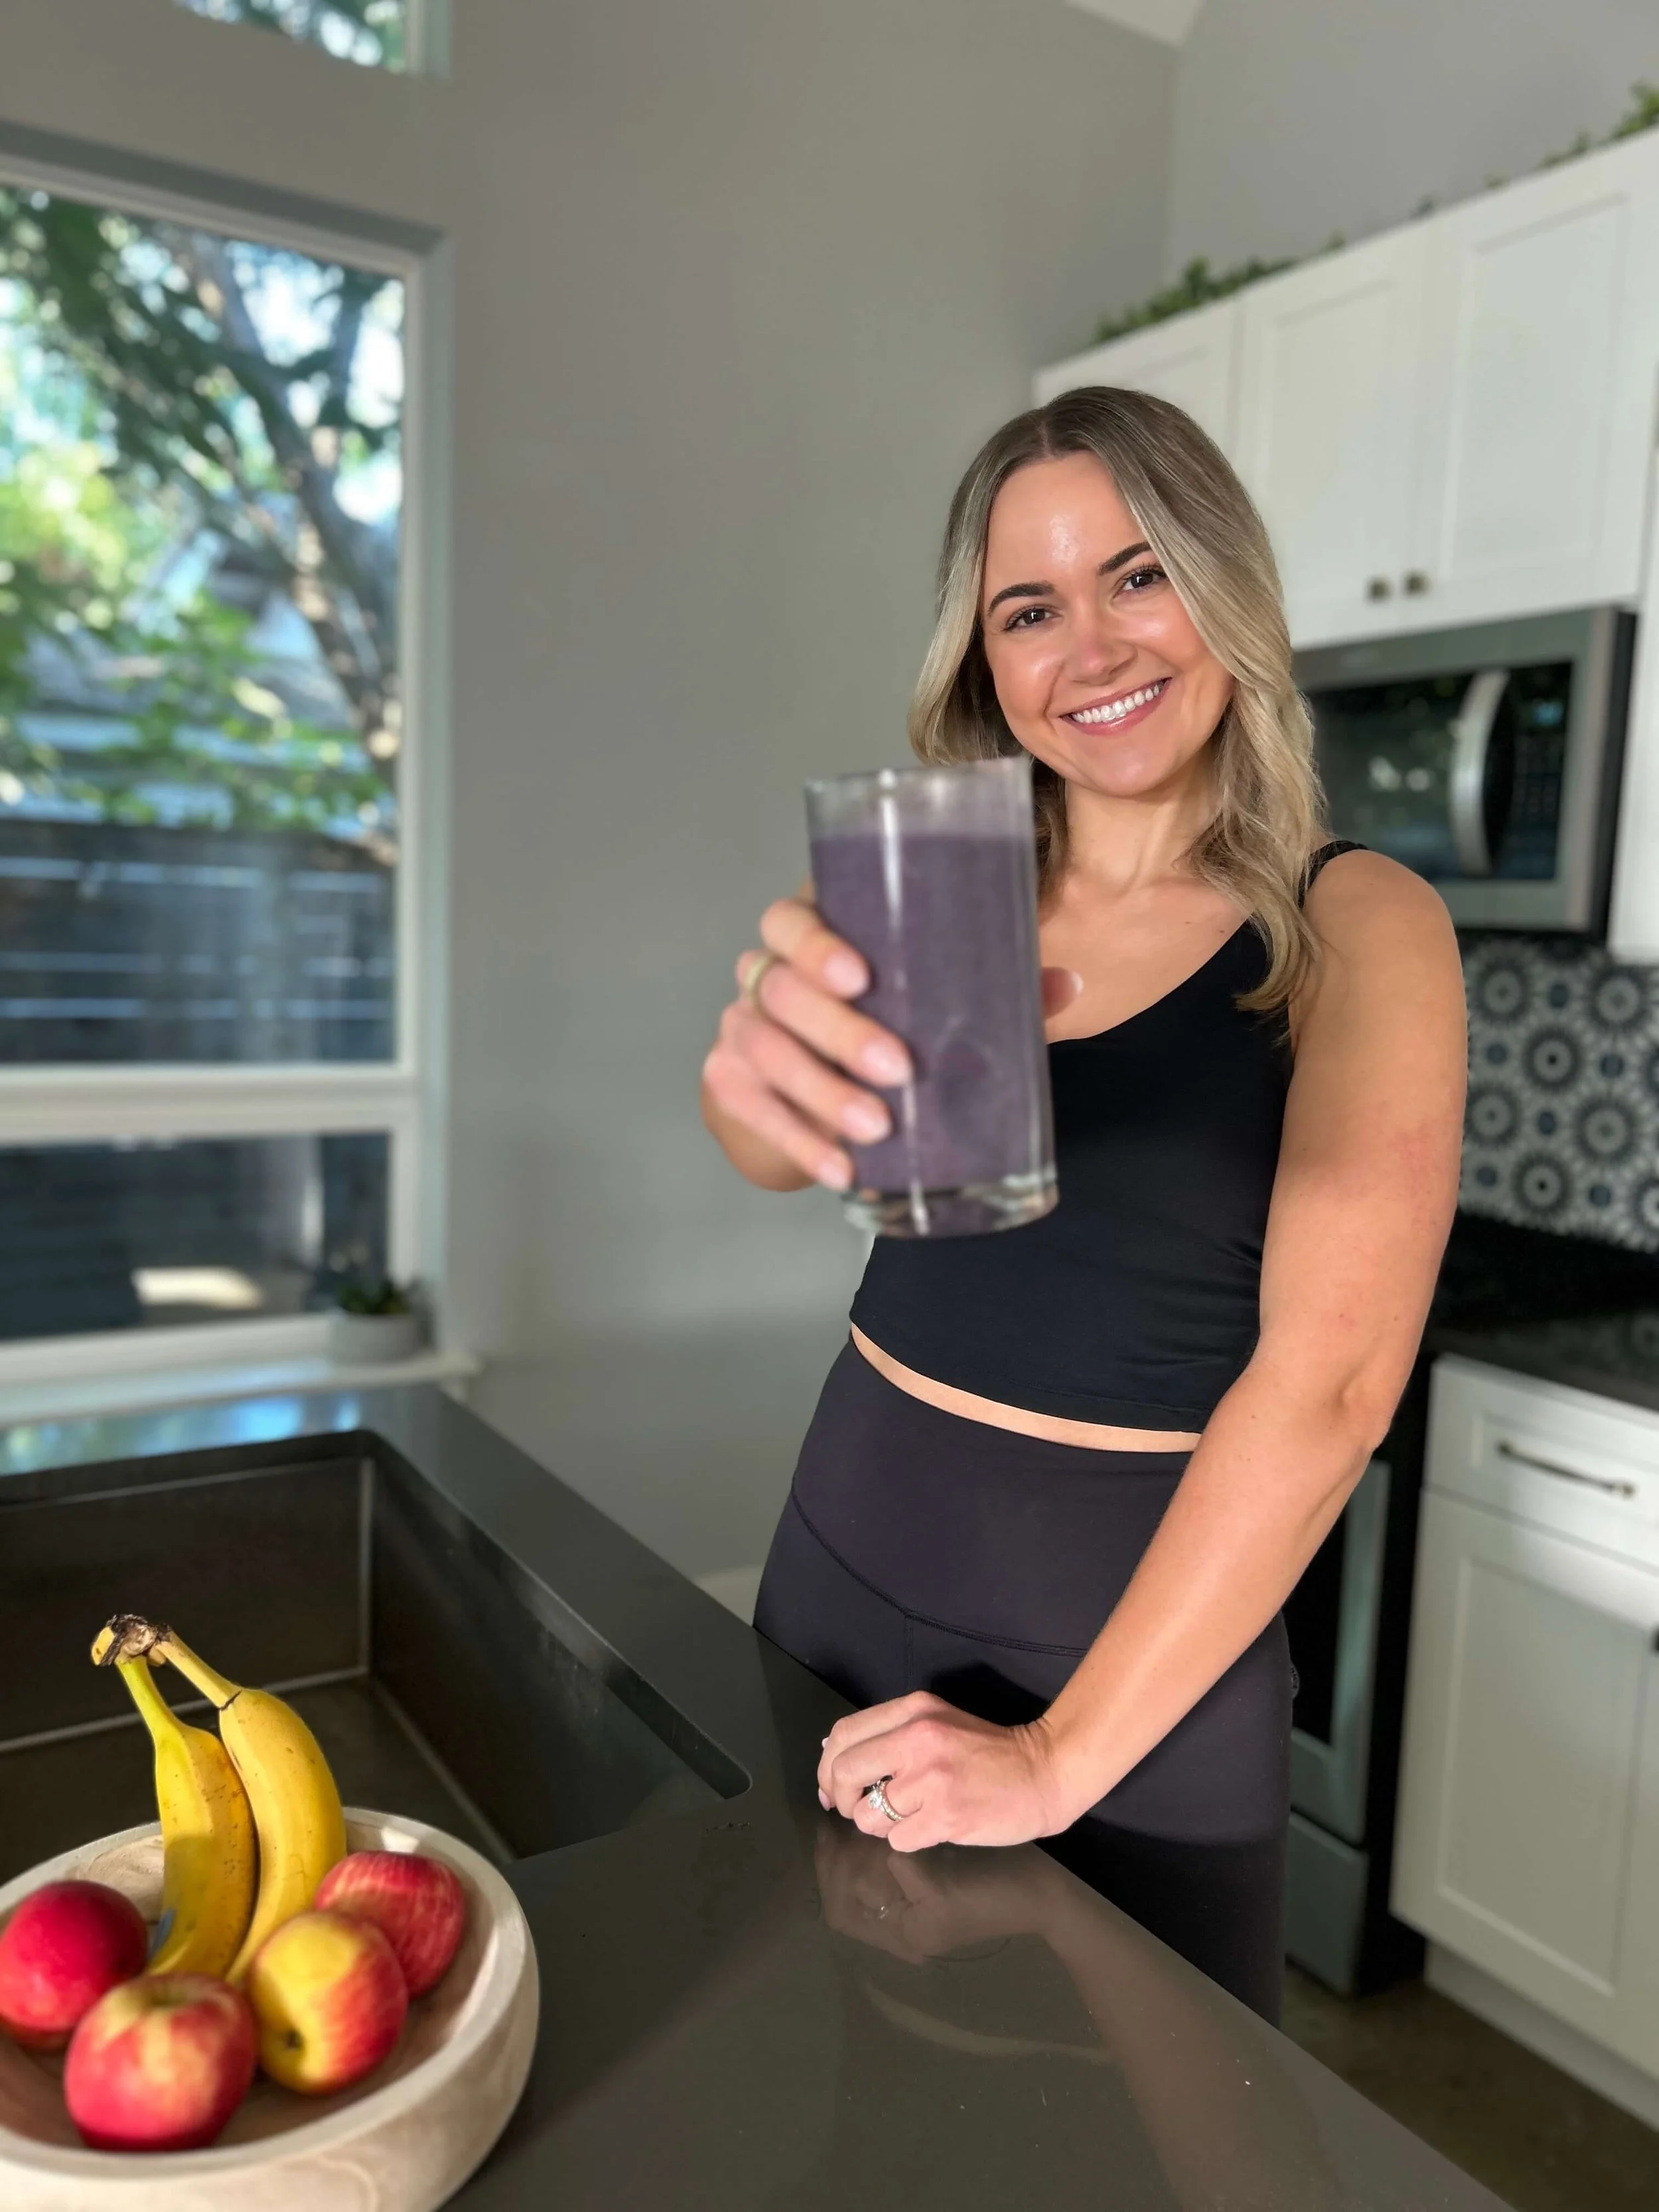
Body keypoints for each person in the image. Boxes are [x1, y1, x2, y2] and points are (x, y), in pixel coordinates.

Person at [699, 386, 1466, 2020]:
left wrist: (1055, 1756)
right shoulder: (950, 879)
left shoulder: (1358, 923)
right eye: (1027, 608)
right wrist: (746, 1090)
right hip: (834, 1558)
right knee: (822, 2080)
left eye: (1137, 576)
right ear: (981, 659)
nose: (1091, 648)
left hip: (1125, 1655)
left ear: (1222, 586)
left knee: (1125, 2140)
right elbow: (802, 1148)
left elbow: (1329, 1384)